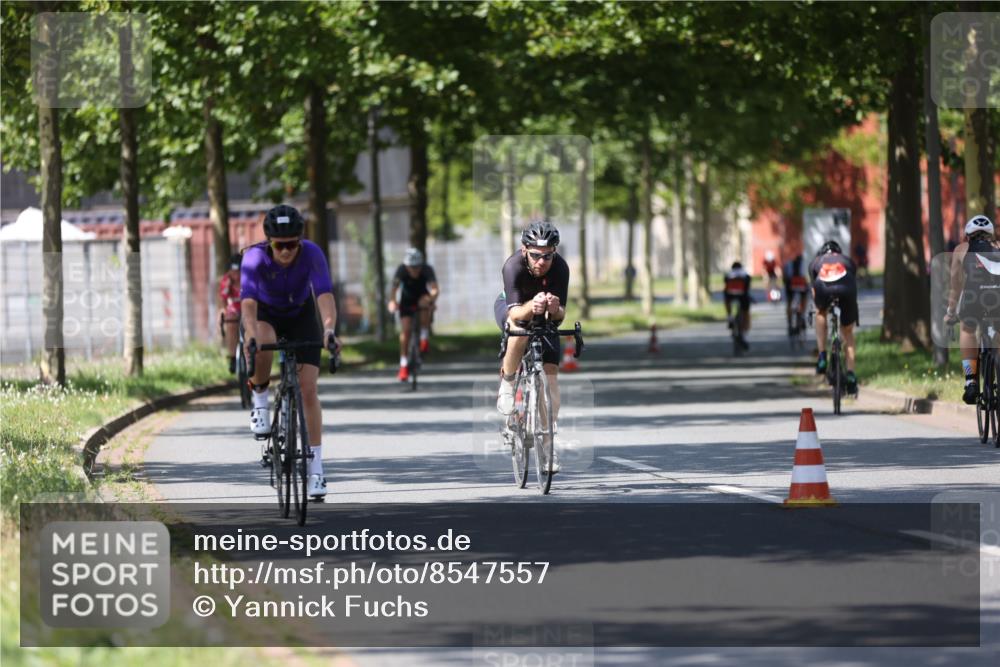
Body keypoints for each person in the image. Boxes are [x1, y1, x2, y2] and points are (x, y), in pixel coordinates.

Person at [240, 204, 340, 499]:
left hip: (301, 316)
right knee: (262, 338)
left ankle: (317, 470)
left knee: (308, 390)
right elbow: (247, 302)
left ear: (300, 240)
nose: (285, 251)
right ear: (270, 243)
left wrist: (330, 329)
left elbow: (323, 293)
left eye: (291, 245)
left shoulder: (311, 253)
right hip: (266, 314)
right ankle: (259, 398)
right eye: (279, 245)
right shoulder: (253, 257)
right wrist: (249, 334)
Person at [494, 220, 569, 474]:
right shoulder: (513, 266)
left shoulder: (560, 268)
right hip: (512, 307)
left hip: (543, 313)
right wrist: (533, 306)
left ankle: (548, 447)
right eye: (536, 255)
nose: (542, 262)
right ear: (524, 249)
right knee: (521, 330)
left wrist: (555, 308)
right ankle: (508, 383)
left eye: (547, 256)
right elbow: (515, 315)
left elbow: (560, 317)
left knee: (551, 376)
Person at [945, 215, 1000, 405]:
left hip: (974, 298)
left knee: (967, 329)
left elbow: (955, 285)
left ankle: (971, 381)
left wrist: (951, 312)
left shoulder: (961, 249)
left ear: (968, 235)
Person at [810, 240, 859, 395]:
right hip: (847, 287)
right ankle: (851, 375)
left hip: (823, 287)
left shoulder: (816, 262)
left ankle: (822, 356)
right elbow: (853, 283)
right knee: (848, 332)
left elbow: (814, 293)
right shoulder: (847, 260)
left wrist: (821, 310)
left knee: (820, 312)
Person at [388, 247, 439, 382]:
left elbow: (435, 290)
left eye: (417, 267)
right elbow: (394, 290)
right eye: (411, 267)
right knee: (405, 331)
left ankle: (424, 337)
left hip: (423, 297)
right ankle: (403, 365)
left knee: (424, 311)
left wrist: (429, 299)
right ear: (406, 266)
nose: (414, 270)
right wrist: (393, 302)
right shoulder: (401, 270)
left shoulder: (427, 269)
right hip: (407, 300)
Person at [218, 253, 242, 373]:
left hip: (248, 306)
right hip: (234, 308)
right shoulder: (226, 280)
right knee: (231, 322)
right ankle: (232, 357)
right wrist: (223, 310)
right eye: (233, 271)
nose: (236, 275)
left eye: (238, 272)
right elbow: (223, 299)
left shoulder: (249, 278)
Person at [723, 261, 752, 350]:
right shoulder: (745, 274)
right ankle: (745, 335)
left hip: (730, 295)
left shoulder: (729, 274)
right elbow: (747, 286)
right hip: (742, 296)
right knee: (746, 313)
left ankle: (729, 316)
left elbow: (725, 284)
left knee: (727, 301)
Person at [783, 253, 810, 336]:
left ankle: (789, 323)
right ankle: (802, 315)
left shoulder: (788, 264)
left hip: (790, 284)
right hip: (802, 284)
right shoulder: (805, 265)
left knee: (789, 302)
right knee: (804, 298)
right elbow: (808, 279)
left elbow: (785, 277)